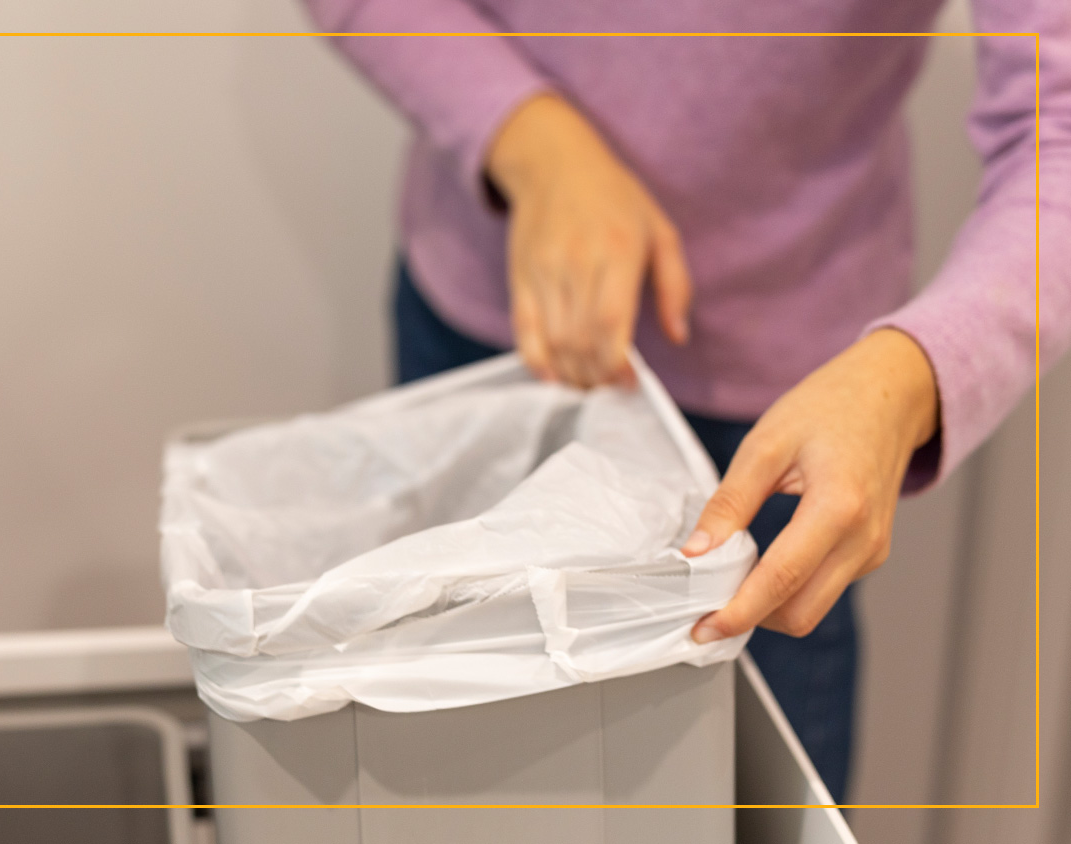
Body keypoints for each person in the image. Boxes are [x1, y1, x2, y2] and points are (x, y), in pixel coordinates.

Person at [302, 1, 1069, 801]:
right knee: (452, 793)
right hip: (493, 328)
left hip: (789, 419)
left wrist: (906, 380)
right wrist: (531, 142)